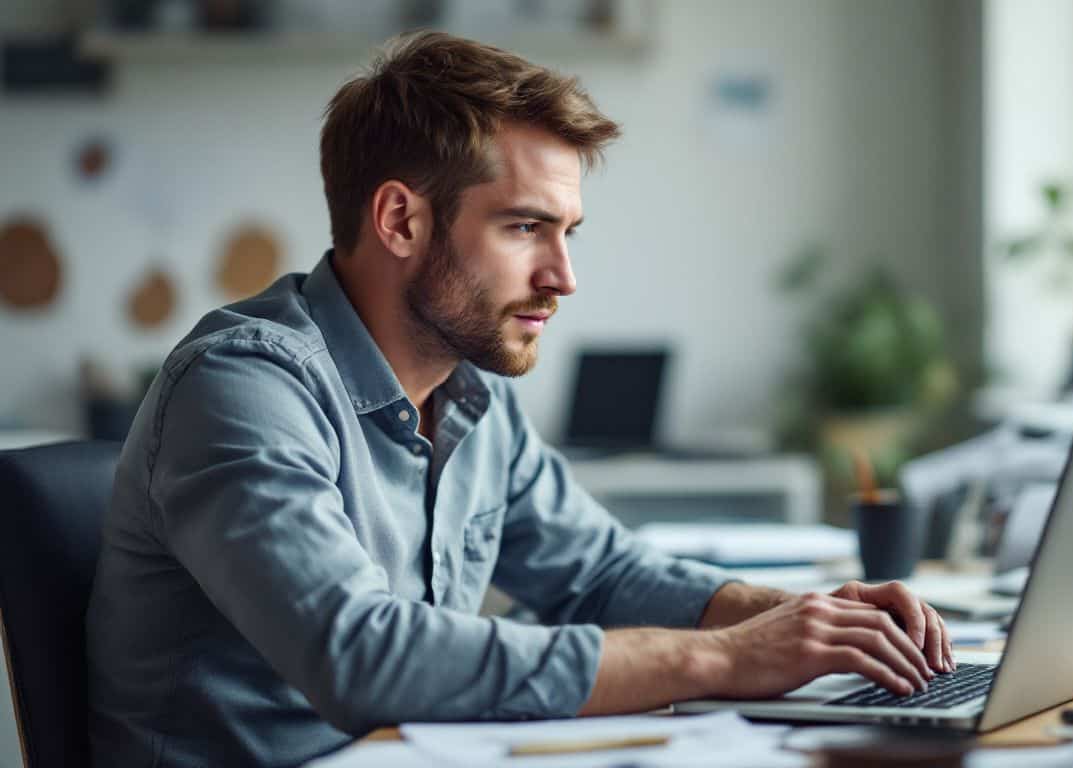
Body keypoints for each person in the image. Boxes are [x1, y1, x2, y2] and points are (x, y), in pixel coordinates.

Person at [85, 32, 954, 767]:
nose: (563, 278)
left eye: (566, 233)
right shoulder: (242, 386)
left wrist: (800, 619)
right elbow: (363, 658)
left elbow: (599, 574)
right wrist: (721, 658)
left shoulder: (470, 395)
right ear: (399, 221)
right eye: (525, 227)